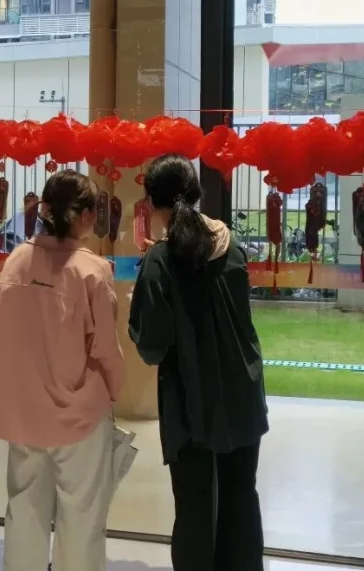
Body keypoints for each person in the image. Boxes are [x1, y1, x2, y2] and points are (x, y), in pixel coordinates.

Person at [128, 154, 269, 571]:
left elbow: (152, 346)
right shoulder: (232, 245)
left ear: (152, 203)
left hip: (191, 402)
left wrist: (138, 309)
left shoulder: (160, 260)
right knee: (241, 499)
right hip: (243, 392)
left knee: (193, 507)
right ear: (196, 193)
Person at [0, 169, 124, 571]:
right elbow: (106, 350)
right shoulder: (92, 271)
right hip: (79, 416)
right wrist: (112, 392)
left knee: (24, 513)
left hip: (23, 412)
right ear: (85, 215)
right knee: (81, 519)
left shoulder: (15, 262)